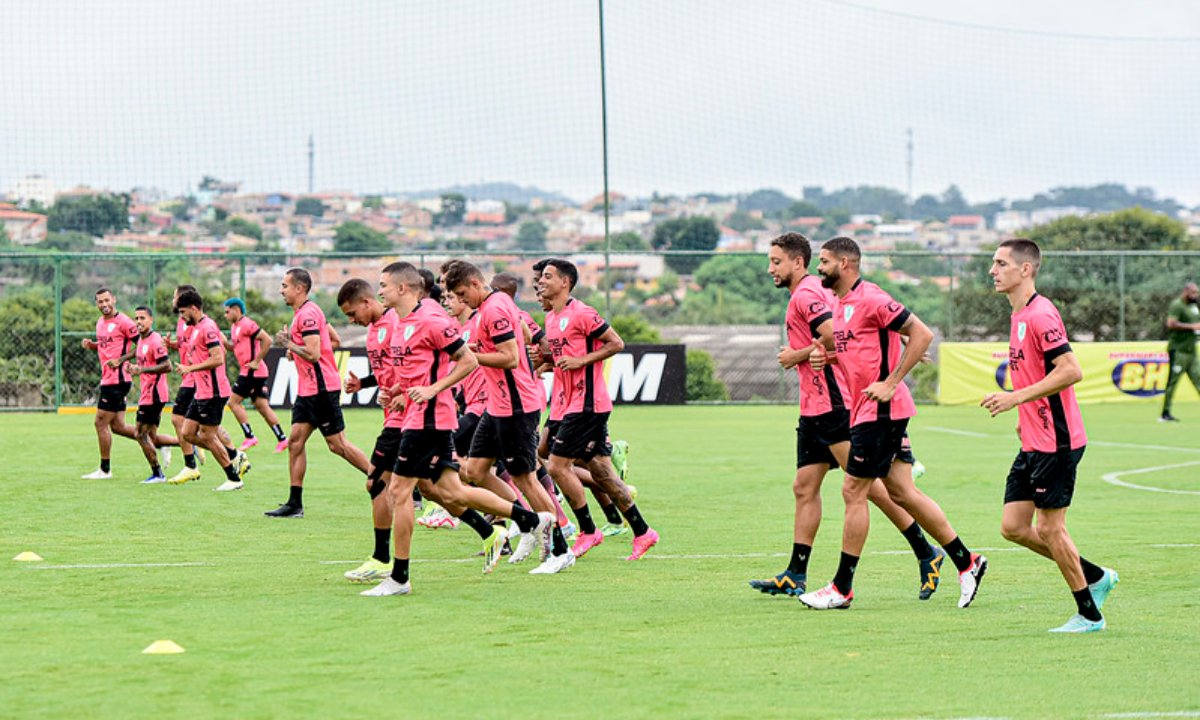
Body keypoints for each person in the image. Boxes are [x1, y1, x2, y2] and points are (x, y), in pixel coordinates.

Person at [749, 233, 944, 599]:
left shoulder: (807, 294)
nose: (770, 268)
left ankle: (926, 552)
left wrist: (798, 354)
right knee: (804, 487)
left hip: (834, 407)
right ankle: (795, 572)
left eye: (776, 262)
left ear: (797, 262)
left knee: (868, 489)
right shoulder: (815, 292)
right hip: (813, 408)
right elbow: (849, 331)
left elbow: (832, 337)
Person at [799, 236, 987, 610]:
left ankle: (842, 588)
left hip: (882, 411)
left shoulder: (871, 297)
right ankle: (968, 562)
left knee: (854, 491)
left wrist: (891, 381)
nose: (818, 268)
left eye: (823, 261)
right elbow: (859, 352)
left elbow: (922, 333)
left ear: (846, 263)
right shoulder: (841, 304)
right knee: (902, 492)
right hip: (869, 410)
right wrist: (828, 360)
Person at [363, 262, 552, 596]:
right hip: (416, 414)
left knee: (398, 490)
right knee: (451, 492)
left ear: (403, 288)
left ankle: (399, 577)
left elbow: (466, 360)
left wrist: (433, 391)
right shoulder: (399, 324)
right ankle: (530, 520)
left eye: (383, 285)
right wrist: (396, 393)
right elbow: (416, 374)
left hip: (431, 419)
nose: (379, 291)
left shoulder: (432, 320)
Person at [981, 238, 1118, 633]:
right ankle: (1095, 574)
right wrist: (1024, 415)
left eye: (1001, 263)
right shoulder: (1018, 315)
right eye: (994, 263)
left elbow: (1071, 370)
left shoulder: (1041, 314)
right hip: (1034, 441)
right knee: (1013, 527)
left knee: (1050, 529)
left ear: (1025, 270)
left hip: (1057, 442)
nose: (993, 270)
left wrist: (1015, 399)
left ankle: (1090, 614)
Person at [441, 259, 574, 574]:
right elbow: (524, 334)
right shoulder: (496, 305)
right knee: (474, 470)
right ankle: (527, 525)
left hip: (517, 407)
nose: (461, 300)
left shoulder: (495, 308)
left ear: (476, 284)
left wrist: (470, 355)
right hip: (496, 406)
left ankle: (560, 549)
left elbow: (511, 357)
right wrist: (473, 345)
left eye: (462, 293)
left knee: (525, 478)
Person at [539, 258, 659, 560]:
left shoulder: (582, 313)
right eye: (541, 277)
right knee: (602, 474)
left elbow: (616, 343)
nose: (541, 281)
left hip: (588, 405)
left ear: (565, 282)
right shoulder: (552, 318)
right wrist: (547, 361)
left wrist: (581, 362)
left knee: (556, 466)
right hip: (568, 404)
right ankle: (643, 531)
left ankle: (588, 530)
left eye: (548, 276)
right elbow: (565, 358)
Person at [265, 267, 371, 517]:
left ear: (299, 288)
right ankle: (294, 503)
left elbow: (314, 353)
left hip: (322, 390)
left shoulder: (308, 314)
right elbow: (332, 341)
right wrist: (296, 351)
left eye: (284, 286)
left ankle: (385, 480)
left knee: (338, 445)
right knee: (295, 442)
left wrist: (291, 345)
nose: (281, 290)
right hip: (308, 390)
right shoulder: (305, 313)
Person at [80, 288, 170, 479]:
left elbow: (141, 345)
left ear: (114, 299)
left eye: (107, 300)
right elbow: (107, 346)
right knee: (118, 426)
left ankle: (105, 470)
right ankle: (161, 444)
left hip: (118, 380)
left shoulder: (125, 322)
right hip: (108, 378)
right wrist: (93, 346)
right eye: (100, 302)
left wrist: (121, 361)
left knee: (100, 422)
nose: (104, 305)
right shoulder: (100, 323)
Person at [171, 290, 251, 492]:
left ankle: (233, 478)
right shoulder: (196, 328)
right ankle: (233, 454)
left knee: (207, 436)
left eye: (183, 312)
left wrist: (190, 367)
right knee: (187, 433)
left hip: (214, 392)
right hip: (202, 391)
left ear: (194, 309)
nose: (181, 316)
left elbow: (218, 358)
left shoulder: (207, 327)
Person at [222, 298, 288, 452]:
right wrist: (225, 343)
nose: (225, 315)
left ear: (236, 310)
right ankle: (283, 439)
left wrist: (257, 360)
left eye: (227, 312)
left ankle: (250, 436)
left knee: (233, 403)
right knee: (262, 406)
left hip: (251, 371)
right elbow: (236, 348)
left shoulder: (247, 324)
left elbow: (267, 339)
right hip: (253, 372)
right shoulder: (235, 327)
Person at [129, 305, 174, 484]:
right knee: (151, 436)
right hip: (148, 393)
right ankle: (183, 445)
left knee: (139, 434)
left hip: (153, 395)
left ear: (151, 320)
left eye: (142, 318)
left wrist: (141, 370)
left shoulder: (155, 340)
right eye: (136, 318)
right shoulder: (141, 340)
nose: (139, 322)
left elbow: (167, 366)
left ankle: (158, 474)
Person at [1159, 282, 1200, 422]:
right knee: (1173, 382)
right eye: (1193, 293)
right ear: (1186, 291)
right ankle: (1165, 413)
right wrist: (1191, 326)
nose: (1196, 296)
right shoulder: (1177, 305)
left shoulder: (1193, 307)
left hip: (1192, 351)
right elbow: (1171, 323)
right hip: (1178, 351)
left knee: (1198, 379)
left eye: (1197, 293)